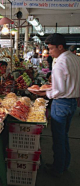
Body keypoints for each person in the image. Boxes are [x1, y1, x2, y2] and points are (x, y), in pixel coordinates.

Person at [32, 33, 80, 177]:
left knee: (58, 138)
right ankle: (64, 164)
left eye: (52, 49)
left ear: (60, 47)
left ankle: (57, 168)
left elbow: (59, 90)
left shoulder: (60, 62)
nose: (50, 52)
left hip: (61, 103)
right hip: (72, 103)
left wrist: (45, 94)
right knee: (64, 135)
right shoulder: (75, 58)